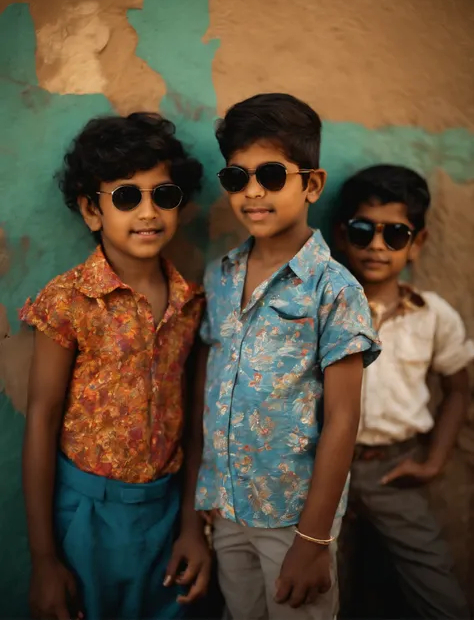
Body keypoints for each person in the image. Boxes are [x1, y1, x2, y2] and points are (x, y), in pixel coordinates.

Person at [192, 93, 381, 620]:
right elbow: (209, 389)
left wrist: (313, 538)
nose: (253, 191)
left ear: (311, 184)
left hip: (293, 517)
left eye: (272, 176)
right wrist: (202, 501)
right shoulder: (220, 275)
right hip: (226, 507)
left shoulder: (334, 289)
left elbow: (344, 417)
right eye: (237, 178)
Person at [20, 113, 211, 620]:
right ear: (90, 210)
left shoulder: (190, 303)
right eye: (127, 196)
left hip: (167, 511)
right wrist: (43, 560)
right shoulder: (69, 300)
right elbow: (42, 416)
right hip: (87, 514)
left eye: (163, 195)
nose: (148, 212)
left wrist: (192, 525)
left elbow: (193, 424)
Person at [336, 164, 473, 619]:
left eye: (395, 234)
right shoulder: (322, 309)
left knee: (436, 592)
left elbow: (457, 389)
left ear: (418, 243)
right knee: (320, 589)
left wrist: (433, 460)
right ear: (341, 235)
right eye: (363, 230)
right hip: (321, 470)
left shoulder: (433, 316)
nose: (377, 245)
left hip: (393, 469)